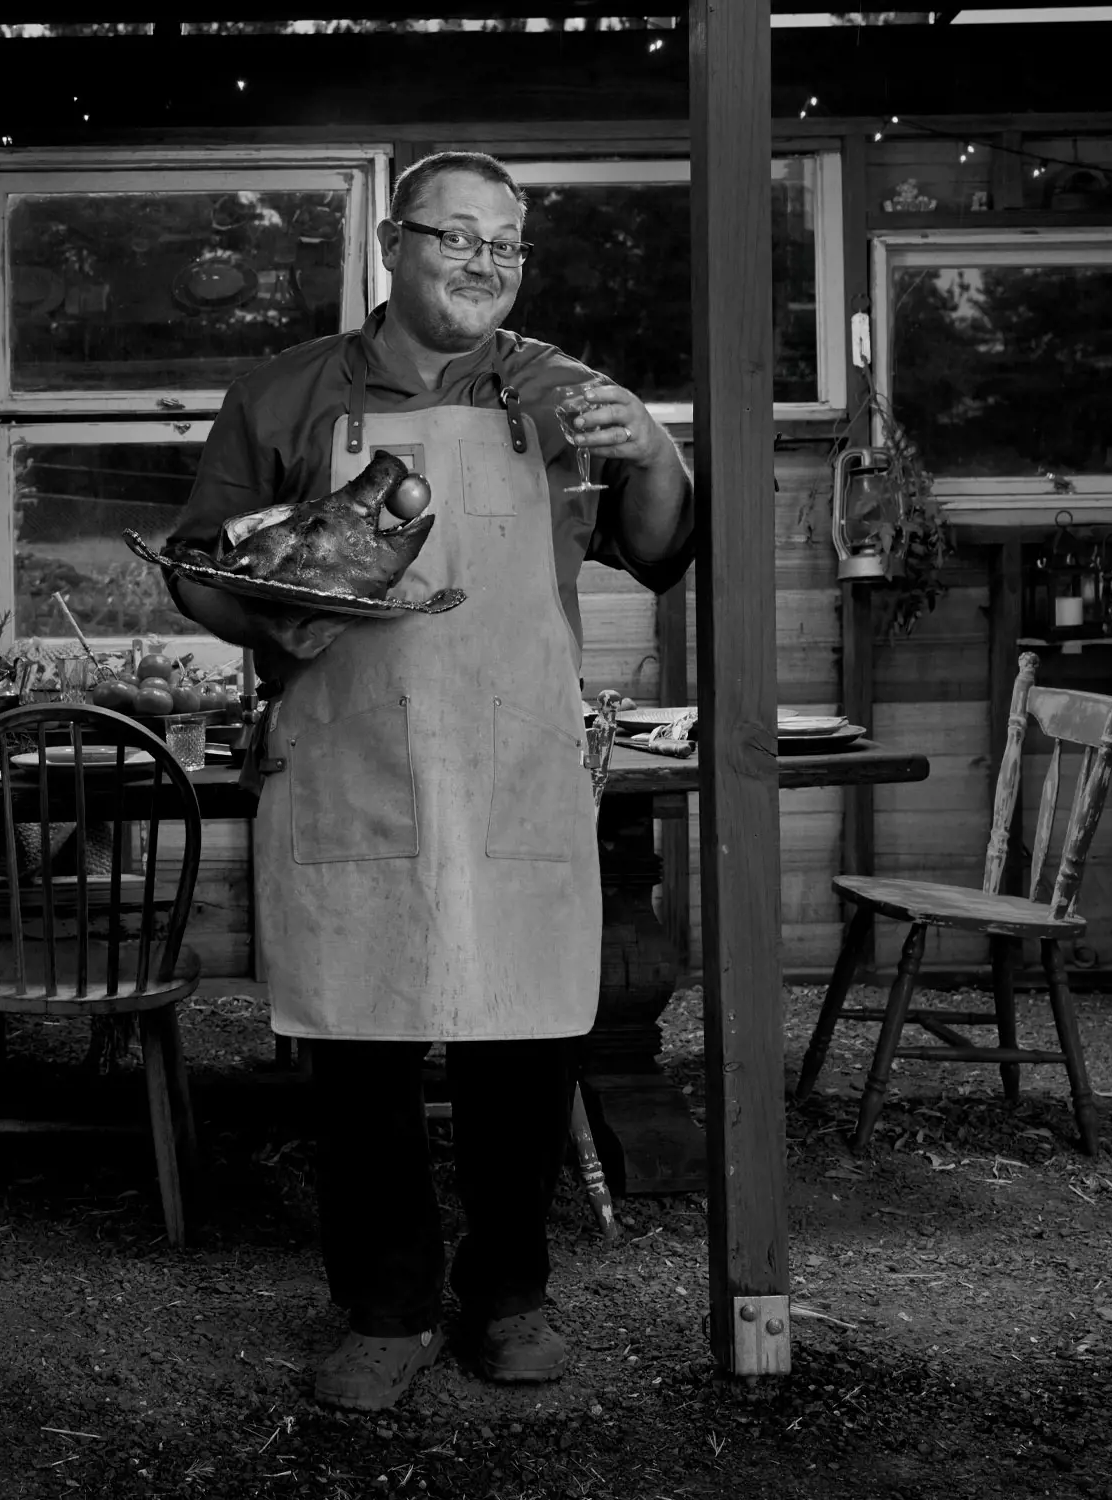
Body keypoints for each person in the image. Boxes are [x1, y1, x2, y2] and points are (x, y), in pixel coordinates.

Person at [166, 151, 696, 1411]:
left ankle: (509, 1297)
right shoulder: (288, 395)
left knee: (527, 1043)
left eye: (506, 244)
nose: (483, 263)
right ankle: (385, 1309)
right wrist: (263, 620)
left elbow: (659, 552)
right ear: (392, 247)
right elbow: (194, 563)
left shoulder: (568, 394)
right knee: (362, 1053)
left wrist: (662, 455)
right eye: (457, 236)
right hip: (353, 760)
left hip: (516, 759)